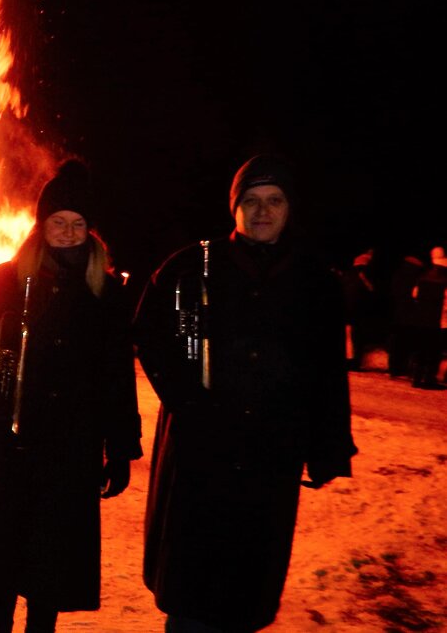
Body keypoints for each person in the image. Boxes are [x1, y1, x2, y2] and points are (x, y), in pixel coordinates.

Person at [133, 154, 357, 632]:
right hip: (200, 455)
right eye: (250, 201)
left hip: (270, 455)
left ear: (289, 208)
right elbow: (149, 335)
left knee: (248, 588)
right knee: (192, 588)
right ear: (233, 208)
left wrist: (327, 445)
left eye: (274, 200)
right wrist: (188, 401)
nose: (262, 211)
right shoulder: (192, 266)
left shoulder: (315, 282)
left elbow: (327, 371)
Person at [0, 159, 143, 633]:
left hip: (70, 455)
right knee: (0, 567)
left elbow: (117, 377)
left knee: (49, 570)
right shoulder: (1, 283)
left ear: (90, 231)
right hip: (6, 450)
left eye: (77, 224)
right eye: (58, 222)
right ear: (40, 226)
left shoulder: (107, 296)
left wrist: (120, 449)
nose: (67, 232)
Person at [408, 246, 447, 389]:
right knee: (434, 352)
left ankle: (416, 378)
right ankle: (429, 379)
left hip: (421, 319)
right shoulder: (445, 280)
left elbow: (415, 295)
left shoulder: (422, 277)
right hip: (437, 322)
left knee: (420, 350)